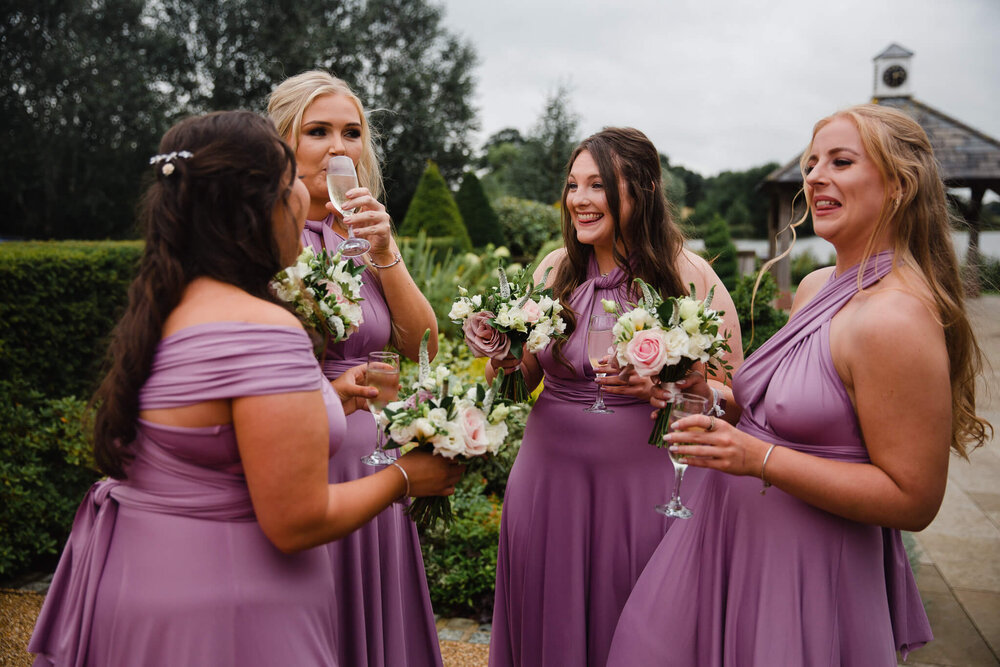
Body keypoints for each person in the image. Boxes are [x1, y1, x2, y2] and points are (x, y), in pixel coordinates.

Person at [28, 110, 462, 666]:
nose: (304, 202)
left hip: (146, 580)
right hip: (233, 611)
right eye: (289, 189)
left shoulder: (168, 304)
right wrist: (406, 476)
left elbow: (211, 432)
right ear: (258, 207)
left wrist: (326, 400)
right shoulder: (262, 325)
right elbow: (296, 519)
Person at [606, 104, 993, 666]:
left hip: (806, 570)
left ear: (900, 186)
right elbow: (774, 407)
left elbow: (914, 499)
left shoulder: (895, 318)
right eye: (812, 164)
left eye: (840, 161)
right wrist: (702, 392)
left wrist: (758, 459)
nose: (814, 177)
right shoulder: (816, 285)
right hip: (730, 547)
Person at [488, 127, 745, 667]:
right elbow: (521, 380)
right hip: (548, 479)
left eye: (598, 185)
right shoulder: (554, 271)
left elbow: (733, 399)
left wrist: (669, 386)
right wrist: (503, 352)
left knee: (634, 626)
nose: (579, 200)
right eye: (572, 185)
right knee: (547, 618)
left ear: (644, 190)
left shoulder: (689, 277)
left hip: (641, 486)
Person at [268, 70, 445, 667]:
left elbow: (423, 347)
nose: (339, 147)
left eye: (352, 132)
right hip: (309, 461)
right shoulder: (264, 238)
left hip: (377, 464)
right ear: (282, 143)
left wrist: (386, 253)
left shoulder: (362, 233)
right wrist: (326, 389)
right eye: (318, 131)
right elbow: (252, 359)